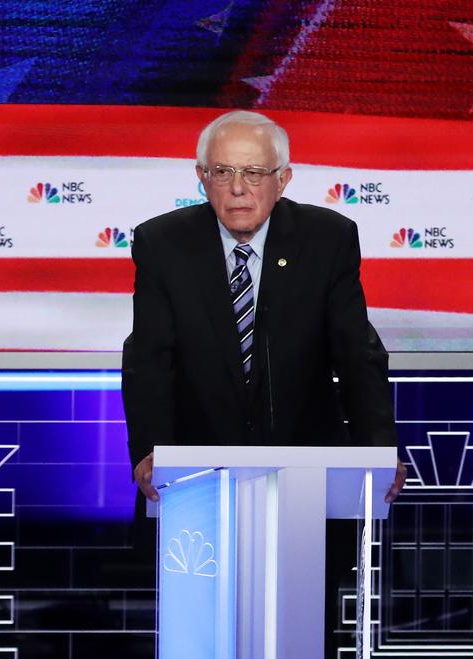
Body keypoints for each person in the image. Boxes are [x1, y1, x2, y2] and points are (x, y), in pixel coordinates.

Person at [121, 110, 404, 501]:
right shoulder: (163, 244)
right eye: (222, 172)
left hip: (305, 466)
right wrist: (152, 450)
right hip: (197, 468)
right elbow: (149, 359)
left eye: (253, 173)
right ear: (202, 179)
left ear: (282, 180)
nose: (238, 188)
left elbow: (357, 354)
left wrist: (377, 449)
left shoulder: (327, 239)